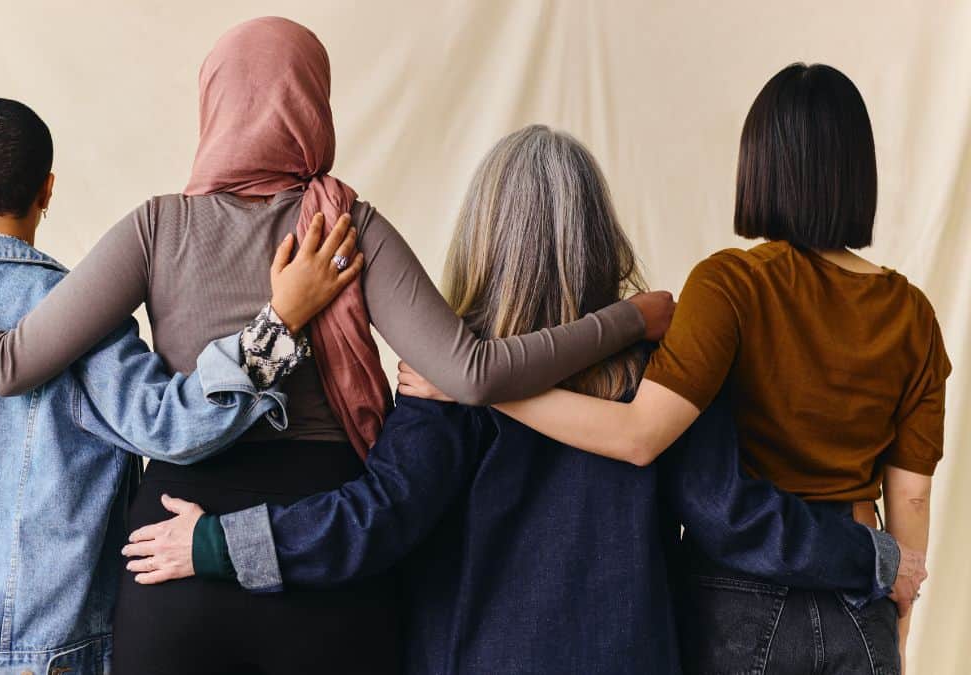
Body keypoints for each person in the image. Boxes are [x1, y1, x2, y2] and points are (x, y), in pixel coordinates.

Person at [0, 17, 676, 675]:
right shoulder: (346, 225)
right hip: (326, 570)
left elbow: (9, 363)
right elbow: (471, 371)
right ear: (316, 104)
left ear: (211, 104)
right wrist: (629, 320)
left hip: (168, 555)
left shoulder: (155, 226)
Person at [134, 126, 911, 675]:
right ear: (601, 236)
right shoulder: (664, 369)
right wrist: (874, 557)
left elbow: (375, 522)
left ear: (483, 234)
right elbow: (730, 515)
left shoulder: (443, 382)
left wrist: (218, 543)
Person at [0, 97, 358, 675]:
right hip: (49, 662)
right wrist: (278, 322)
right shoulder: (82, 323)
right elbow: (174, 426)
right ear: (48, 190)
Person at [403, 65, 943, 674]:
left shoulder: (728, 286)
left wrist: (477, 380)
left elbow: (641, 436)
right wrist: (896, 616)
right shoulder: (914, 313)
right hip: (857, 590)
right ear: (860, 171)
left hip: (740, 601)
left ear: (759, 165)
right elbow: (913, 497)